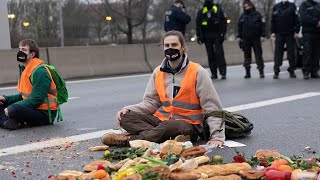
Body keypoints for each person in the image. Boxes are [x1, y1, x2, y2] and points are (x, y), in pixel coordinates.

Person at [102, 31, 225, 148]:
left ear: (183, 47)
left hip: (189, 124)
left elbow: (212, 107)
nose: (170, 48)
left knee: (168, 126)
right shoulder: (158, 72)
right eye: (167, 45)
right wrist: (128, 109)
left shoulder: (198, 72)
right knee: (126, 118)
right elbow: (150, 102)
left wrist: (217, 137)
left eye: (174, 45)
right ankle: (168, 137)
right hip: (161, 121)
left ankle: (130, 140)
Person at [0, 39, 58, 130]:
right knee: (1, 103)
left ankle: (9, 121)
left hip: (45, 113)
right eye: (19, 49)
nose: (20, 52)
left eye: (23, 50)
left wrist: (11, 108)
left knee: (14, 109)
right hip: (32, 108)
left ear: (32, 54)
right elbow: (24, 96)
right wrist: (6, 99)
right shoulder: (25, 69)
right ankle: (9, 122)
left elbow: (36, 99)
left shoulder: (40, 72)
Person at [196, 0, 227, 79]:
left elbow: (224, 22)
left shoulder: (218, 9)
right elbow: (198, 24)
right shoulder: (202, 10)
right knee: (210, 55)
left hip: (217, 34)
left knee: (219, 54)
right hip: (207, 36)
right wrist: (199, 36)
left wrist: (222, 34)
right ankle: (214, 73)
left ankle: (223, 73)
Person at [271, 0, 300, 79]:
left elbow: (296, 19)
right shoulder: (276, 7)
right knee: (278, 54)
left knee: (291, 53)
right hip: (279, 33)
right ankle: (276, 71)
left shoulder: (292, 6)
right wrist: (273, 31)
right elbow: (273, 20)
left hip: (290, 33)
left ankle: (292, 71)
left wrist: (296, 31)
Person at [237, 0, 266, 79]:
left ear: (251, 6)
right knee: (247, 56)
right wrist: (239, 37)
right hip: (246, 39)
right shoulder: (242, 16)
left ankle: (261, 72)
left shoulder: (257, 15)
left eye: (248, 6)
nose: (246, 8)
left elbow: (263, 26)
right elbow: (239, 28)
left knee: (258, 56)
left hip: (256, 38)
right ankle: (247, 72)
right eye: (245, 6)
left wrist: (263, 35)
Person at [299, 0, 320, 79]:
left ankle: (314, 71)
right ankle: (306, 71)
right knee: (307, 52)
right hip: (308, 32)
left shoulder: (318, 5)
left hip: (318, 32)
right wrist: (316, 21)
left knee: (316, 53)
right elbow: (304, 18)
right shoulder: (304, 5)